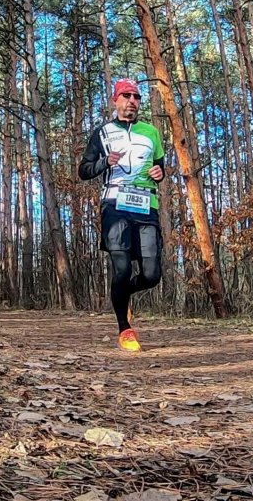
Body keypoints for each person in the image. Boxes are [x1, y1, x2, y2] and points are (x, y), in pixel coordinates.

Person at [78, 78, 165, 352]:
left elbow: (159, 166)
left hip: (146, 206)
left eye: (136, 97)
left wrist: (160, 173)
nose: (132, 101)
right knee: (122, 269)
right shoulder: (102, 133)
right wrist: (105, 162)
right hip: (115, 205)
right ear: (115, 100)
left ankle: (122, 295)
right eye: (126, 96)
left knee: (151, 275)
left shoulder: (151, 132)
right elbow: (84, 170)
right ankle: (124, 329)